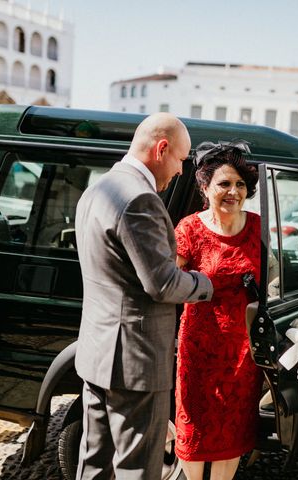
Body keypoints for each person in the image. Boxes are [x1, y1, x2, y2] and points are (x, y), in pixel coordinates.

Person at [74, 112, 213, 480]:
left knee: (93, 463)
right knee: (138, 469)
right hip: (135, 362)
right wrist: (205, 282)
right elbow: (164, 284)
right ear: (162, 148)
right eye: (182, 160)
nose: (182, 171)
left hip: (96, 353)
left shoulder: (98, 188)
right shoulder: (140, 199)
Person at [174, 140, 262, 480]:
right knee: (195, 432)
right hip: (199, 351)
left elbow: (272, 278)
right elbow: (167, 283)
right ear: (205, 186)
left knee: (232, 434)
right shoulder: (189, 229)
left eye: (240, 184)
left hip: (243, 352)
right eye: (224, 183)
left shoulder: (256, 226)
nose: (233, 191)